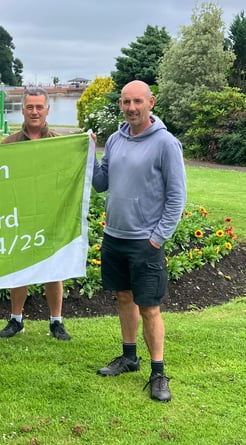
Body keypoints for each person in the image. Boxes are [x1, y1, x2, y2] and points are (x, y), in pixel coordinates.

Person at [91, 80, 186, 402]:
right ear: (120, 104)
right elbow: (101, 183)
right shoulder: (115, 140)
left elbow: (176, 198)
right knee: (123, 298)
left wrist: (156, 240)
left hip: (145, 243)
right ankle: (129, 357)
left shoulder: (166, 144)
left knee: (150, 308)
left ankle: (158, 373)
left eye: (137, 102)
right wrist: (91, 153)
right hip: (114, 236)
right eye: (126, 102)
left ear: (151, 102)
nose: (131, 108)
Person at [0, 88, 71, 341]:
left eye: (39, 107)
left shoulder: (61, 143)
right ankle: (16, 319)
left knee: (54, 270)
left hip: (52, 215)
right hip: (20, 216)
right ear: (23, 110)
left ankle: (56, 321)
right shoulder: (9, 145)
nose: (35, 112)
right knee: (20, 269)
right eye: (30, 107)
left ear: (47, 109)